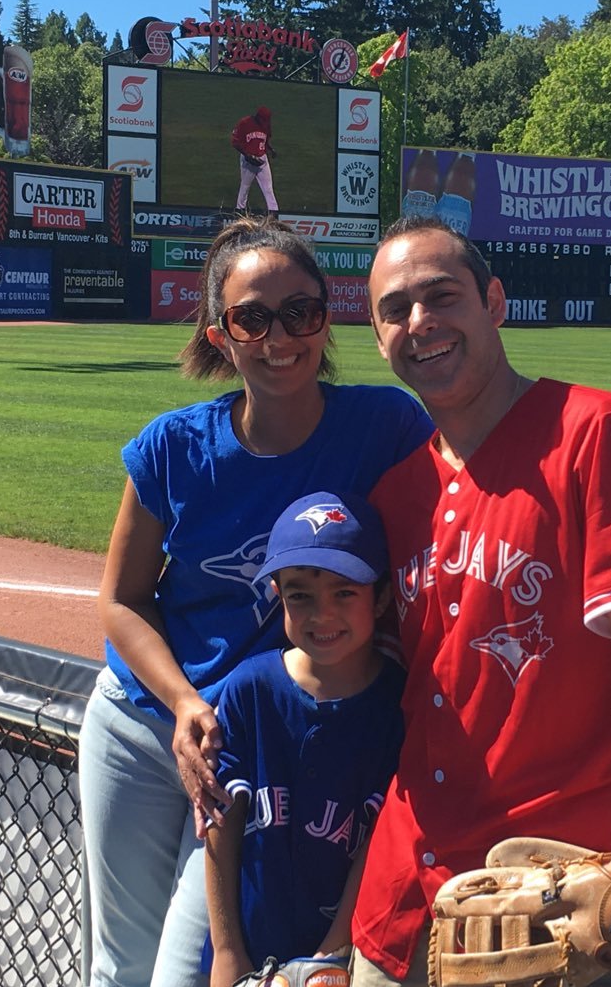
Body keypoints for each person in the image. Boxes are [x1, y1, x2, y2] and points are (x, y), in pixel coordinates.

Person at [349, 216, 611, 987]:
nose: (419, 322)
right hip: (403, 891)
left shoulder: (597, 433)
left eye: (440, 296)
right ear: (377, 335)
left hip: (562, 891)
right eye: (394, 309)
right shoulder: (398, 492)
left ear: (494, 302)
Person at [78, 216, 433, 987]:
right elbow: (122, 601)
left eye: (301, 312)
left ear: (326, 317)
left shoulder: (384, 425)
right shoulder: (173, 446)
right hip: (146, 721)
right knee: (122, 962)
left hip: (260, 737)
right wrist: (179, 705)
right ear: (219, 333)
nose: (281, 337)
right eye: (253, 317)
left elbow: (435, 546)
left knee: (193, 957)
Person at [204, 490, 403, 987]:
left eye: (345, 592)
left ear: (379, 597)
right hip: (250, 939)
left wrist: (329, 957)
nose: (322, 614)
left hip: (345, 952)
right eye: (300, 596)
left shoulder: (398, 705)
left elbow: (377, 846)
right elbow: (219, 824)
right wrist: (227, 952)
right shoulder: (251, 688)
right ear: (276, 594)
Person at [231, 105, 279, 216]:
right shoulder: (245, 123)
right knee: (245, 187)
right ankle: (239, 212)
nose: (266, 122)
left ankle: (274, 213)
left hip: (262, 159)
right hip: (248, 161)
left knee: (268, 188)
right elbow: (235, 142)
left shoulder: (266, 124)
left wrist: (271, 150)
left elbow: (265, 140)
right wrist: (247, 155)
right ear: (258, 117)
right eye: (264, 119)